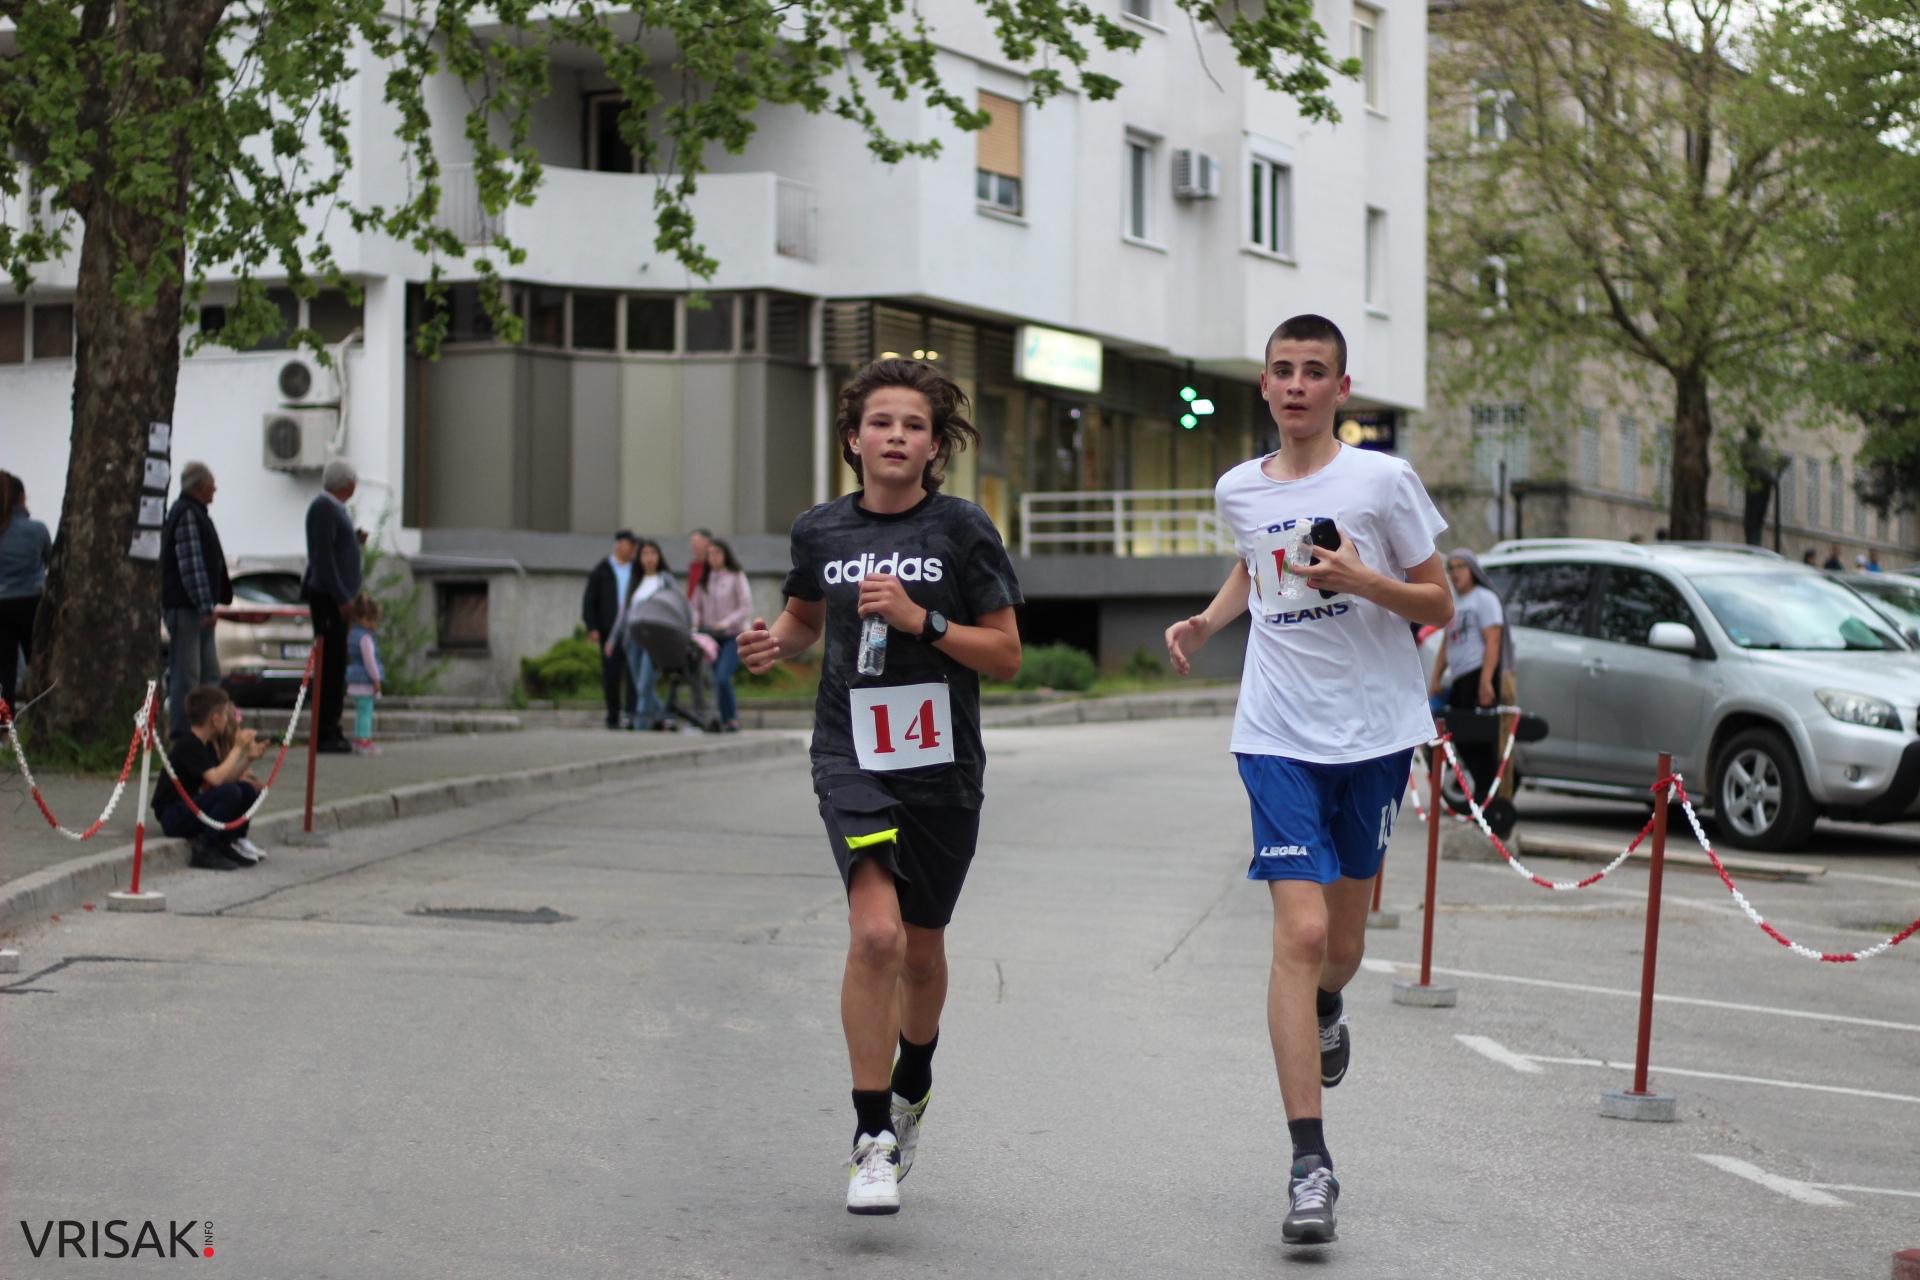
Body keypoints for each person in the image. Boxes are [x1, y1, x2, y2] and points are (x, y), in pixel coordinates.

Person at [1163, 315, 1451, 1247]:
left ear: (1341, 387)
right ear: (1264, 385)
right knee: (1304, 927)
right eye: (1282, 371)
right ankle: (1309, 1165)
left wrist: (1364, 580)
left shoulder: (1381, 480)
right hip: (1277, 734)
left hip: (1372, 737)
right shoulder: (1239, 488)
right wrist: (1208, 623)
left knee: (1346, 945)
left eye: (1313, 372)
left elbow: (1436, 599)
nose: (1296, 386)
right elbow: (1256, 566)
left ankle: (1330, 1004)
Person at [737, 357, 1022, 1217]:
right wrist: (772, 645)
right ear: (853, 439)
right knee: (876, 938)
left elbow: (1005, 655)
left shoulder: (963, 530)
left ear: (936, 446)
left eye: (914, 426)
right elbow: (804, 618)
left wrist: (921, 620)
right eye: (881, 424)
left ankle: (915, 1078)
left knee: (924, 951)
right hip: (850, 754)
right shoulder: (819, 532)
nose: (896, 437)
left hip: (942, 768)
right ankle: (871, 1138)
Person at [151, 684, 270, 870]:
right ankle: (205, 849)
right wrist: (238, 747)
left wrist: (247, 758)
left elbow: (226, 778)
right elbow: (216, 780)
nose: (227, 719)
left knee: (246, 790)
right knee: (230, 792)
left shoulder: (205, 744)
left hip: (191, 807)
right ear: (215, 719)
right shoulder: (188, 744)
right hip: (173, 815)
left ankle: (227, 841)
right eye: (224, 714)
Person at [1426, 548, 1510, 809]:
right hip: (1460, 678)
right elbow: (1446, 645)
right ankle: (1474, 798)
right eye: (1450, 567)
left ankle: (1487, 799)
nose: (1455, 572)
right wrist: (1436, 677)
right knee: (1457, 737)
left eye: (1460, 566)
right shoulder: (1454, 602)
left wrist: (1486, 681)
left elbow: (1493, 640)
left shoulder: (1484, 599)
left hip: (1477, 675)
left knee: (1477, 741)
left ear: (1472, 570)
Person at [159, 462, 233, 737]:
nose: (215, 489)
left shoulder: (192, 512)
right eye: (212, 484)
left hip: (193, 606)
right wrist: (205, 606)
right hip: (188, 608)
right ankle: (183, 733)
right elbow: (192, 567)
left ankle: (208, 731)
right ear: (200, 486)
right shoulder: (188, 514)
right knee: (187, 675)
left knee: (208, 673)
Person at [303, 460, 362, 753]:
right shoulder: (323, 509)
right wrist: (342, 598)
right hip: (328, 600)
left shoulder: (335, 510)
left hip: (334, 598)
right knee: (329, 666)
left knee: (337, 666)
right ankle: (324, 732)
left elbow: (336, 552)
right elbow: (323, 559)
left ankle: (332, 727)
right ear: (346, 484)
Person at [607, 540, 676, 730]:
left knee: (645, 685)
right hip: (633, 639)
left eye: (653, 554)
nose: (649, 558)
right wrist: (613, 638)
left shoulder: (665, 580)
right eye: (645, 554)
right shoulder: (635, 580)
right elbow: (624, 612)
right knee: (640, 687)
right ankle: (664, 715)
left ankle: (640, 727)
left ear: (659, 556)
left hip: (654, 640)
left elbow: (674, 607)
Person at [0, 470, 52, 714]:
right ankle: (39, 713)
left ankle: (3, 724)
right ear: (21, 497)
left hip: (2, 604)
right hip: (32, 602)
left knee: (5, 670)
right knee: (37, 662)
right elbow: (51, 561)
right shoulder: (37, 530)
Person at [692, 537, 753, 732]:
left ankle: (731, 717)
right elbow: (695, 607)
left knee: (722, 677)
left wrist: (725, 622)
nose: (713, 557)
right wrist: (694, 625)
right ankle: (723, 718)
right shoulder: (705, 579)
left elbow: (745, 606)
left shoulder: (736, 576)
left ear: (725, 555)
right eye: (710, 554)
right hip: (710, 637)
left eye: (717, 553)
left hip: (733, 635)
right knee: (714, 679)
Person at [582, 530, 639, 729]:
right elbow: (589, 600)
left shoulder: (636, 569)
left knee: (633, 674)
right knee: (611, 675)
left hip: (633, 631)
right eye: (629, 544)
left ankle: (632, 715)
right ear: (619, 544)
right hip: (608, 632)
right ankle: (613, 716)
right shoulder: (602, 570)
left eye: (634, 545)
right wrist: (592, 626)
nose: (632, 549)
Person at [345, 593, 384, 755]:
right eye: (373, 620)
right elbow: (370, 662)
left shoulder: (352, 634)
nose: (375, 624)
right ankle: (363, 741)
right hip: (365, 681)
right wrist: (376, 679)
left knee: (360, 712)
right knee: (366, 713)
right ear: (363, 618)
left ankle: (358, 740)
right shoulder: (365, 638)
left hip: (354, 679)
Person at [685, 527, 713, 598]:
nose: (693, 545)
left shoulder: (714, 566)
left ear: (707, 543)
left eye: (697, 542)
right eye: (692, 542)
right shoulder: (693, 566)